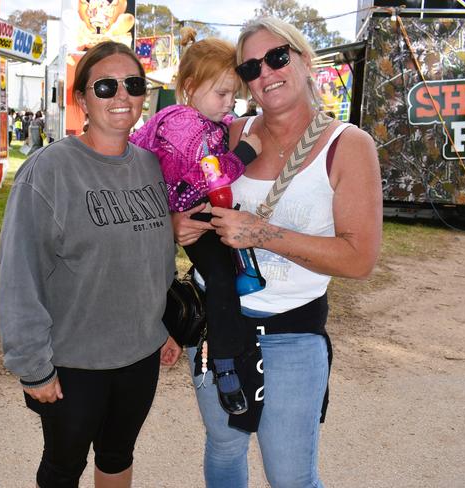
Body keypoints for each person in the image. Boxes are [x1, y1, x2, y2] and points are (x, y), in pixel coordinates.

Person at [170, 17, 382, 487]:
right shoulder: (227, 134)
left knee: (290, 475)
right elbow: (174, 192)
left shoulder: (347, 145)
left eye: (277, 57)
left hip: (293, 334)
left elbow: (360, 258)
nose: (265, 72)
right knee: (224, 450)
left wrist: (262, 234)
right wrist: (175, 224)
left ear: (305, 61)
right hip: (215, 326)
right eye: (250, 67)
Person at [0, 41, 181, 488]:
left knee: (118, 455)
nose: (121, 96)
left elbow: (156, 257)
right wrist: (32, 365)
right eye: (105, 86)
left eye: (133, 85)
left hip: (140, 355)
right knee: (63, 467)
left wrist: (167, 325)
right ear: (82, 98)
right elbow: (19, 273)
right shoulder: (50, 170)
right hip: (74, 362)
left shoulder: (153, 166)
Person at [130, 34, 262, 416]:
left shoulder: (201, 118)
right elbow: (206, 174)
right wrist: (243, 155)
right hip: (187, 214)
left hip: (190, 214)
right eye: (221, 94)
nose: (228, 103)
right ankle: (223, 365)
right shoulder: (184, 123)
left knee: (225, 274)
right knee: (221, 281)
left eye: (232, 96)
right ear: (190, 87)